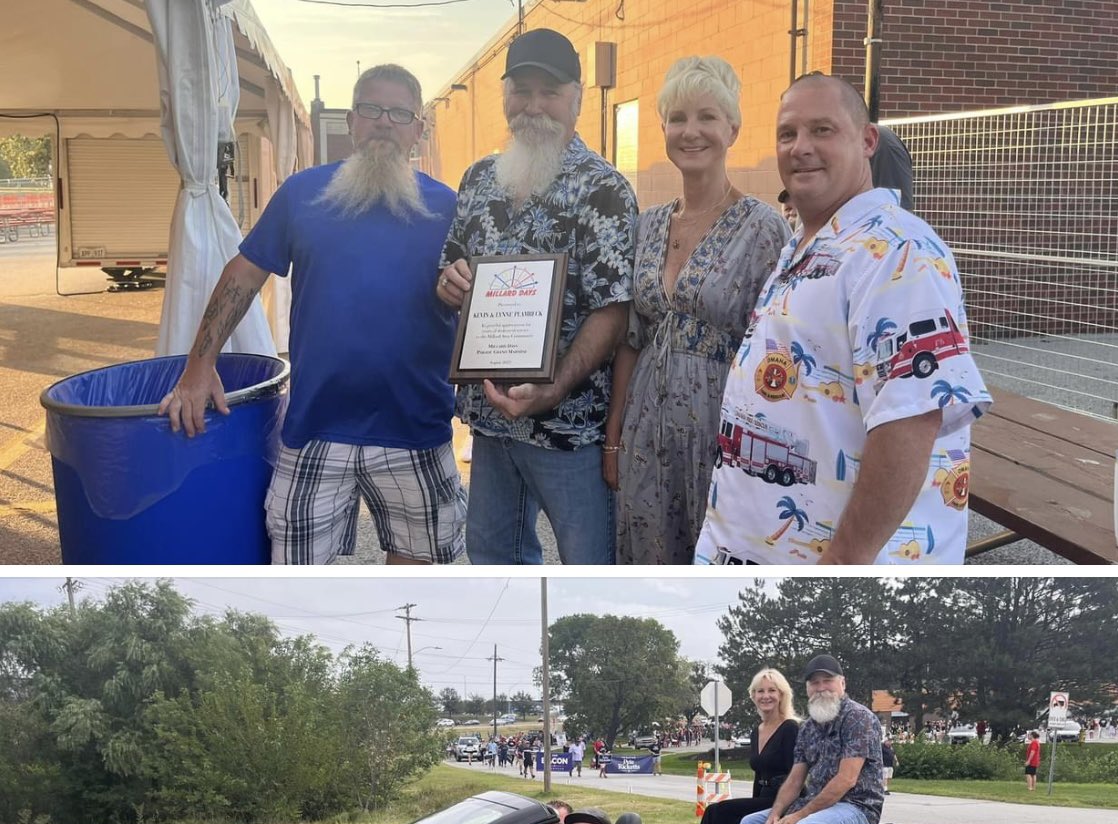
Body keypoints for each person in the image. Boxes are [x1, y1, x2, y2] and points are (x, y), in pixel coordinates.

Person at [161, 64, 466, 565]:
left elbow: (474, 295)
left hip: (416, 425)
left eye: (399, 112)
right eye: (371, 109)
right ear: (352, 121)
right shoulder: (303, 194)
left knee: (420, 576)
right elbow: (244, 274)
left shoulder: (450, 207)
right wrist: (199, 366)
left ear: (418, 129)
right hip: (317, 425)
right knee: (296, 573)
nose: (384, 122)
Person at [694, 72, 992, 566]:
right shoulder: (808, 246)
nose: (800, 147)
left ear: (867, 139)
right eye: (787, 134)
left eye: (822, 130)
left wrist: (842, 566)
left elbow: (910, 422)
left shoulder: (898, 251)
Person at [437, 28, 638, 564]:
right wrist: (449, 280)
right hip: (489, 418)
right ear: (503, 97)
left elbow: (614, 310)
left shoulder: (604, 189)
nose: (534, 105)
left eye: (548, 91)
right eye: (521, 90)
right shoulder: (478, 180)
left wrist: (552, 387)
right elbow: (450, 264)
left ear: (575, 97)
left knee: (587, 563)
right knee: (492, 557)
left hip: (567, 425)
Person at [605, 57, 789, 564]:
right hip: (645, 431)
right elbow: (631, 339)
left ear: (732, 128)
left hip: (722, 432)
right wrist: (613, 437)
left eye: (707, 117)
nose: (691, 131)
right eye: (678, 118)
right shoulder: (645, 227)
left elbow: (778, 353)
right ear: (663, 127)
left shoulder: (763, 230)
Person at [723, 654, 884, 824]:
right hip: (816, 804)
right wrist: (776, 812)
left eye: (828, 681)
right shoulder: (807, 727)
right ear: (807, 688)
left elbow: (847, 779)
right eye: (814, 682)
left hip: (857, 807)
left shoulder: (858, 718)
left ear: (842, 683)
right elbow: (795, 779)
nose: (821, 687)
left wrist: (800, 815)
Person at [691, 667, 800, 824]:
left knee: (719, 813)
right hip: (762, 797)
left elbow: (796, 777)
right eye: (760, 691)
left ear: (782, 695)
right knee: (712, 812)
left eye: (771, 690)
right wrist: (751, 803)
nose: (765, 696)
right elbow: (759, 774)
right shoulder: (756, 731)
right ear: (753, 696)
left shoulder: (790, 728)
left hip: (783, 800)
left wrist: (776, 809)